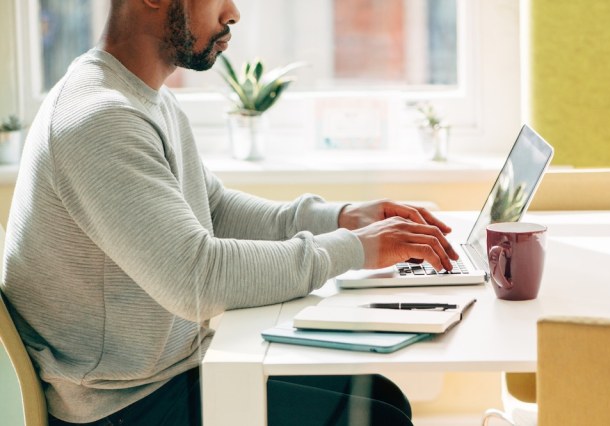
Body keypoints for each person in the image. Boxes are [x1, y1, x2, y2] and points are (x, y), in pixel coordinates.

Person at [1, 0, 458, 425]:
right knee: (378, 419)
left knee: (381, 398)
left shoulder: (147, 99)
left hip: (171, 375)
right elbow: (196, 278)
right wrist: (352, 250)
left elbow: (213, 209)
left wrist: (340, 220)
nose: (233, 13)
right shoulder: (99, 118)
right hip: (123, 406)